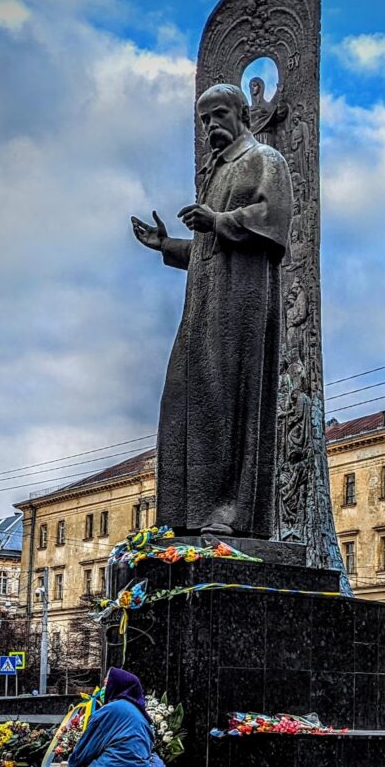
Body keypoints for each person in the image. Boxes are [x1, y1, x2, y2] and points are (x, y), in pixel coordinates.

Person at [131, 83, 293, 539]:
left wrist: (218, 221)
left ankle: (230, 513)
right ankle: (185, 514)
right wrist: (167, 246)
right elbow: (208, 250)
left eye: (218, 115)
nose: (210, 127)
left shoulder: (264, 160)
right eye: (203, 120)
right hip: (202, 309)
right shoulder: (215, 172)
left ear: (240, 113)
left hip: (238, 305)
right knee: (183, 400)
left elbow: (273, 220)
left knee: (227, 403)